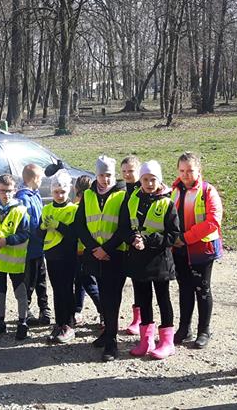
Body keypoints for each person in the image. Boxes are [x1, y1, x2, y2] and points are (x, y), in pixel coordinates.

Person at [122, 160, 181, 360]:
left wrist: (148, 240)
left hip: (159, 260)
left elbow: (173, 234)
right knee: (143, 299)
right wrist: (132, 238)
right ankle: (146, 341)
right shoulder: (132, 199)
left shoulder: (167, 203)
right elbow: (124, 226)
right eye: (145, 179)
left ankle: (167, 342)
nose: (149, 183)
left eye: (153, 179)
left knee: (163, 299)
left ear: (159, 180)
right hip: (138, 258)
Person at [73, 155, 128, 361]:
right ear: (96, 175)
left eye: (109, 175)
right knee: (103, 296)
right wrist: (94, 248)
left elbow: (124, 226)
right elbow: (80, 224)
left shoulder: (122, 195)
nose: (106, 179)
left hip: (115, 255)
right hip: (95, 254)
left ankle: (112, 341)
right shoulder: (88, 195)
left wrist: (107, 249)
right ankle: (107, 334)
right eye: (102, 175)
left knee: (113, 298)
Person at [170, 152, 224, 349]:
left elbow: (213, 222)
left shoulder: (208, 191)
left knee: (202, 289)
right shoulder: (174, 190)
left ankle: (204, 331)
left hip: (202, 250)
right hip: (179, 250)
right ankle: (184, 329)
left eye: (190, 170)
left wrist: (185, 238)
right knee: (184, 289)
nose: (186, 175)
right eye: (182, 170)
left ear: (199, 170)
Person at [0, 174, 31, 340]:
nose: (6, 194)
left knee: (20, 292)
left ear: (15, 190)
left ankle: (22, 322)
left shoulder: (21, 210)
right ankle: (0, 322)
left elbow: (25, 233)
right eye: (3, 191)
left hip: (16, 261)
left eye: (9, 191)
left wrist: (7, 241)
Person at [42, 170, 80, 344]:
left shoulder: (73, 209)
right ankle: (59, 323)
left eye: (63, 192)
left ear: (68, 190)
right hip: (52, 255)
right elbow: (41, 234)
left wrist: (58, 225)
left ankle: (69, 324)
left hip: (67, 255)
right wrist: (41, 228)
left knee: (67, 289)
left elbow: (74, 234)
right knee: (57, 290)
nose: (59, 195)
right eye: (56, 192)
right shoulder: (47, 208)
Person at [19, 163, 51, 326]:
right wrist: (39, 233)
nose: (41, 182)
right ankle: (25, 310)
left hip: (39, 248)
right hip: (29, 249)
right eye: (40, 179)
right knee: (29, 281)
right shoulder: (23, 198)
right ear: (34, 179)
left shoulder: (35, 195)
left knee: (41, 280)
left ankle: (44, 308)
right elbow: (28, 223)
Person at [72, 175, 101, 326]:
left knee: (88, 282)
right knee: (80, 282)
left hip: (81, 252)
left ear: (76, 188)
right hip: (88, 250)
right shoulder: (92, 206)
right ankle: (77, 310)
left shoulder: (76, 207)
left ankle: (104, 311)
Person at [120, 155, 142, 335]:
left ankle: (139, 318)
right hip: (123, 242)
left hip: (140, 242)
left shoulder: (143, 189)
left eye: (131, 171)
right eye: (124, 171)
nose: (127, 174)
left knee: (139, 281)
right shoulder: (120, 190)